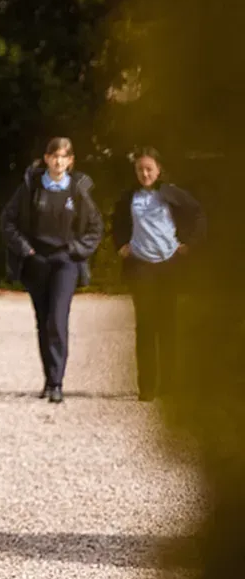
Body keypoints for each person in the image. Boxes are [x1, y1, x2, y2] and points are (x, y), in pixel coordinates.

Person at [1, 137, 104, 403]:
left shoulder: (78, 191)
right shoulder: (31, 187)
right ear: (46, 158)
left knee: (58, 321)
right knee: (44, 322)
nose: (58, 161)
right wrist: (26, 250)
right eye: (54, 156)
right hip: (37, 261)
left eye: (63, 157)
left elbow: (95, 228)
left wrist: (75, 250)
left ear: (71, 161)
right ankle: (48, 380)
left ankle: (57, 383)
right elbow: (8, 221)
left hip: (65, 262)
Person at [112, 147, 206, 401]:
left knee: (168, 326)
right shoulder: (129, 197)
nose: (145, 174)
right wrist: (121, 244)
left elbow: (197, 214)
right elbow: (117, 222)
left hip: (168, 265)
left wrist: (189, 243)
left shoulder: (171, 193)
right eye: (140, 169)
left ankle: (170, 386)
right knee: (145, 326)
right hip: (141, 266)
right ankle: (147, 387)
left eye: (149, 169)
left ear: (158, 170)